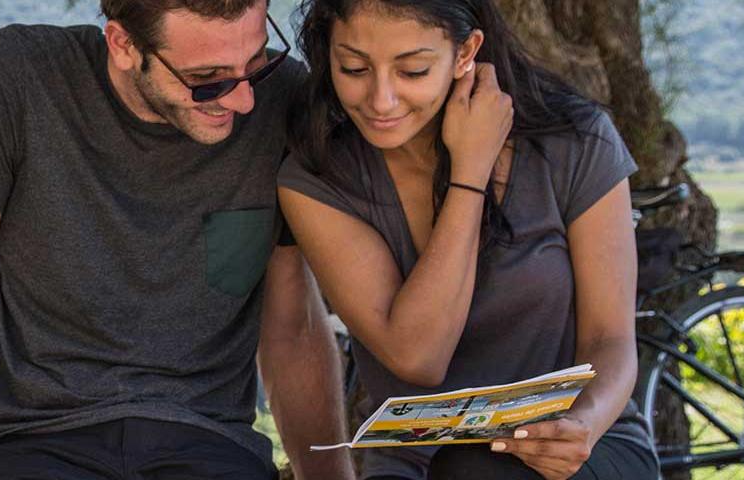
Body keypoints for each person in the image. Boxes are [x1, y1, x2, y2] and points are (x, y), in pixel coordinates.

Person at [0, 1, 357, 479]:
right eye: (206, 78)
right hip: (29, 440)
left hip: (208, 444)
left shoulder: (283, 100)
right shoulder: (8, 82)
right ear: (123, 44)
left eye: (255, 63)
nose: (243, 101)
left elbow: (292, 328)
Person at [276, 0, 657, 478]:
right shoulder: (318, 179)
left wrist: (581, 424)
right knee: (464, 467)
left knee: (473, 470)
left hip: (580, 446)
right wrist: (470, 173)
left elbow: (610, 338)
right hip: (414, 464)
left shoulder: (576, 141)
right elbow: (419, 357)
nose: (381, 100)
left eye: (412, 71)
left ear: (465, 52)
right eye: (354, 68)